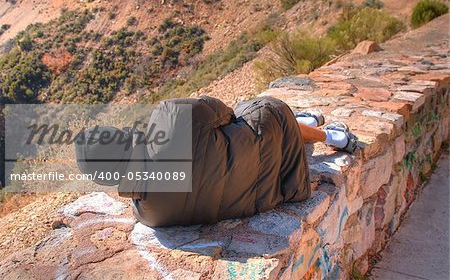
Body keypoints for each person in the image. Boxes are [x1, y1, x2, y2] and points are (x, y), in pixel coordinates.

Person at [75, 96, 357, 227]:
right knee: (261, 111)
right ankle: (330, 136)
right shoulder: (170, 115)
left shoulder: (149, 215)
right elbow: (226, 113)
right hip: (271, 145)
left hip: (275, 191)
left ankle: (305, 122)